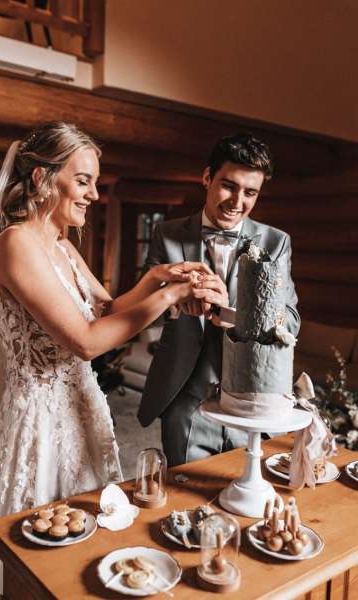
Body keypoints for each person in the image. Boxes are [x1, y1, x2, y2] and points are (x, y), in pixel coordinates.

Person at [0, 121, 211, 599]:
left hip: (81, 410)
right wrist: (170, 295)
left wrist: (156, 278)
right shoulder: (15, 244)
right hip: (39, 422)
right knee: (37, 554)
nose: (94, 194)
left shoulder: (62, 246)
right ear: (41, 179)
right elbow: (87, 341)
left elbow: (107, 310)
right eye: (83, 180)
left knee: (85, 541)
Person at [138, 133, 300, 467]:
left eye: (250, 192)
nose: (237, 201)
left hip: (252, 399)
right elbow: (142, 315)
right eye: (228, 185)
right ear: (207, 177)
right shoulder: (166, 234)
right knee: (184, 493)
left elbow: (290, 322)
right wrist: (172, 301)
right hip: (186, 401)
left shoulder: (276, 243)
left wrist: (233, 313)